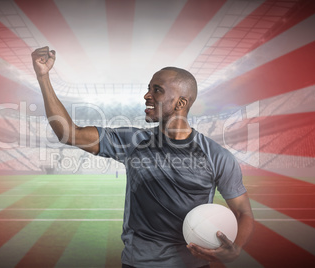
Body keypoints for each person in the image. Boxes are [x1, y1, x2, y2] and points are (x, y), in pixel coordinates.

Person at [32, 46, 254, 268]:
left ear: (181, 103)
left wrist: (236, 248)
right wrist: (43, 77)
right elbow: (69, 133)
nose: (146, 95)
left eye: (157, 90)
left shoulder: (216, 156)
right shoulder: (133, 141)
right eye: (148, 88)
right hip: (138, 264)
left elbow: (243, 211)